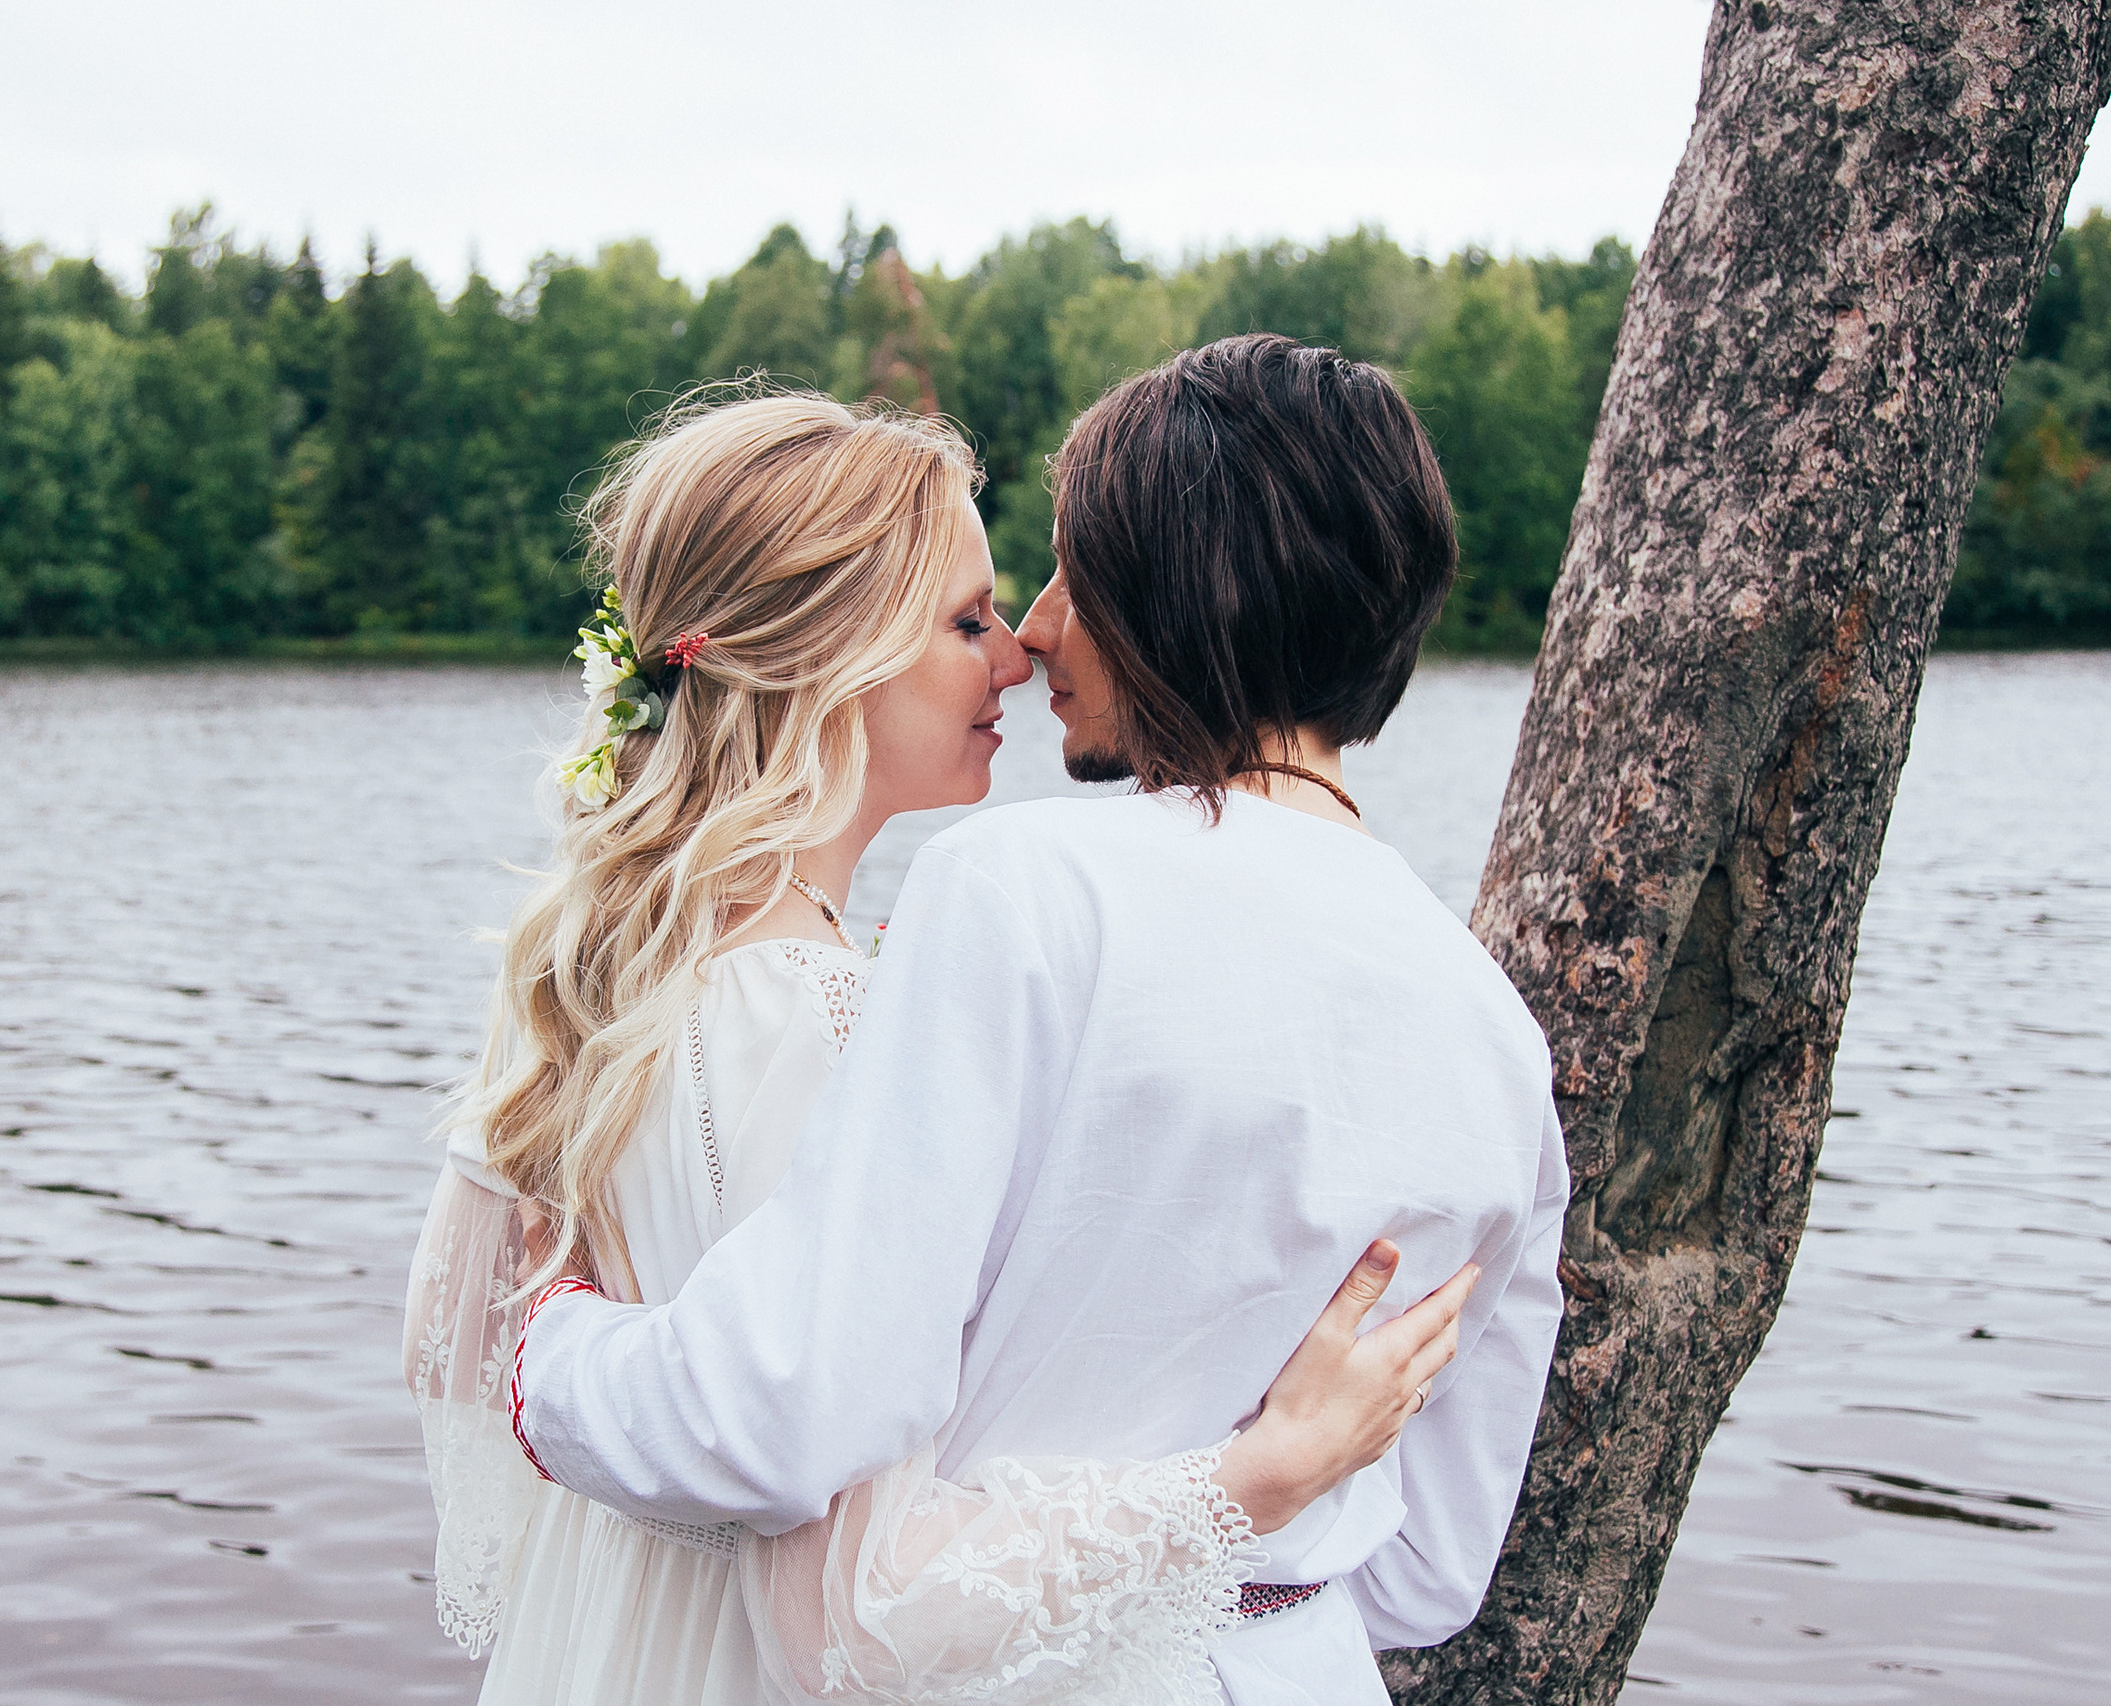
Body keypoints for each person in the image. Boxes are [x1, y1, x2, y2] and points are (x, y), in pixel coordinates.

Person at [508, 337, 1572, 1705]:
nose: (1039, 629)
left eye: (1079, 570)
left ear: (1186, 593)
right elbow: (1430, 1569)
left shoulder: (1026, 891)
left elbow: (782, 1412)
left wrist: (554, 1356)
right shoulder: (1493, 1035)